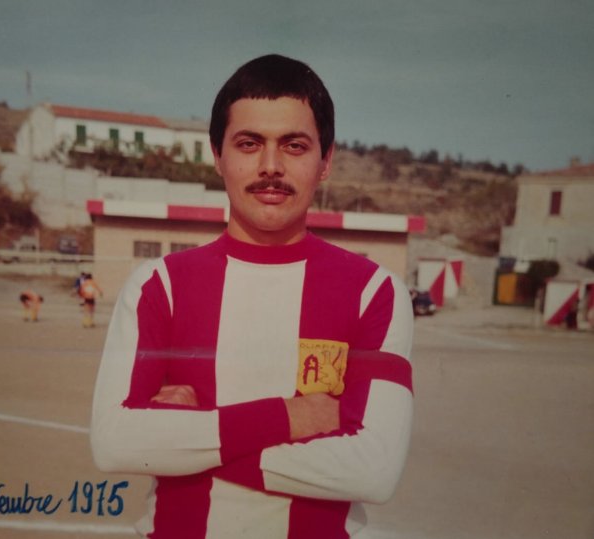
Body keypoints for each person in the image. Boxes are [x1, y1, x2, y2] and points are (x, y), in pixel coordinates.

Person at [90, 54, 414, 538]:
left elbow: (374, 471)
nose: (270, 167)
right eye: (248, 143)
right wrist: (288, 417)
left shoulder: (374, 292)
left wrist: (187, 439)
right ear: (217, 155)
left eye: (294, 145)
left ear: (325, 161)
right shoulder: (159, 285)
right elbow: (113, 443)